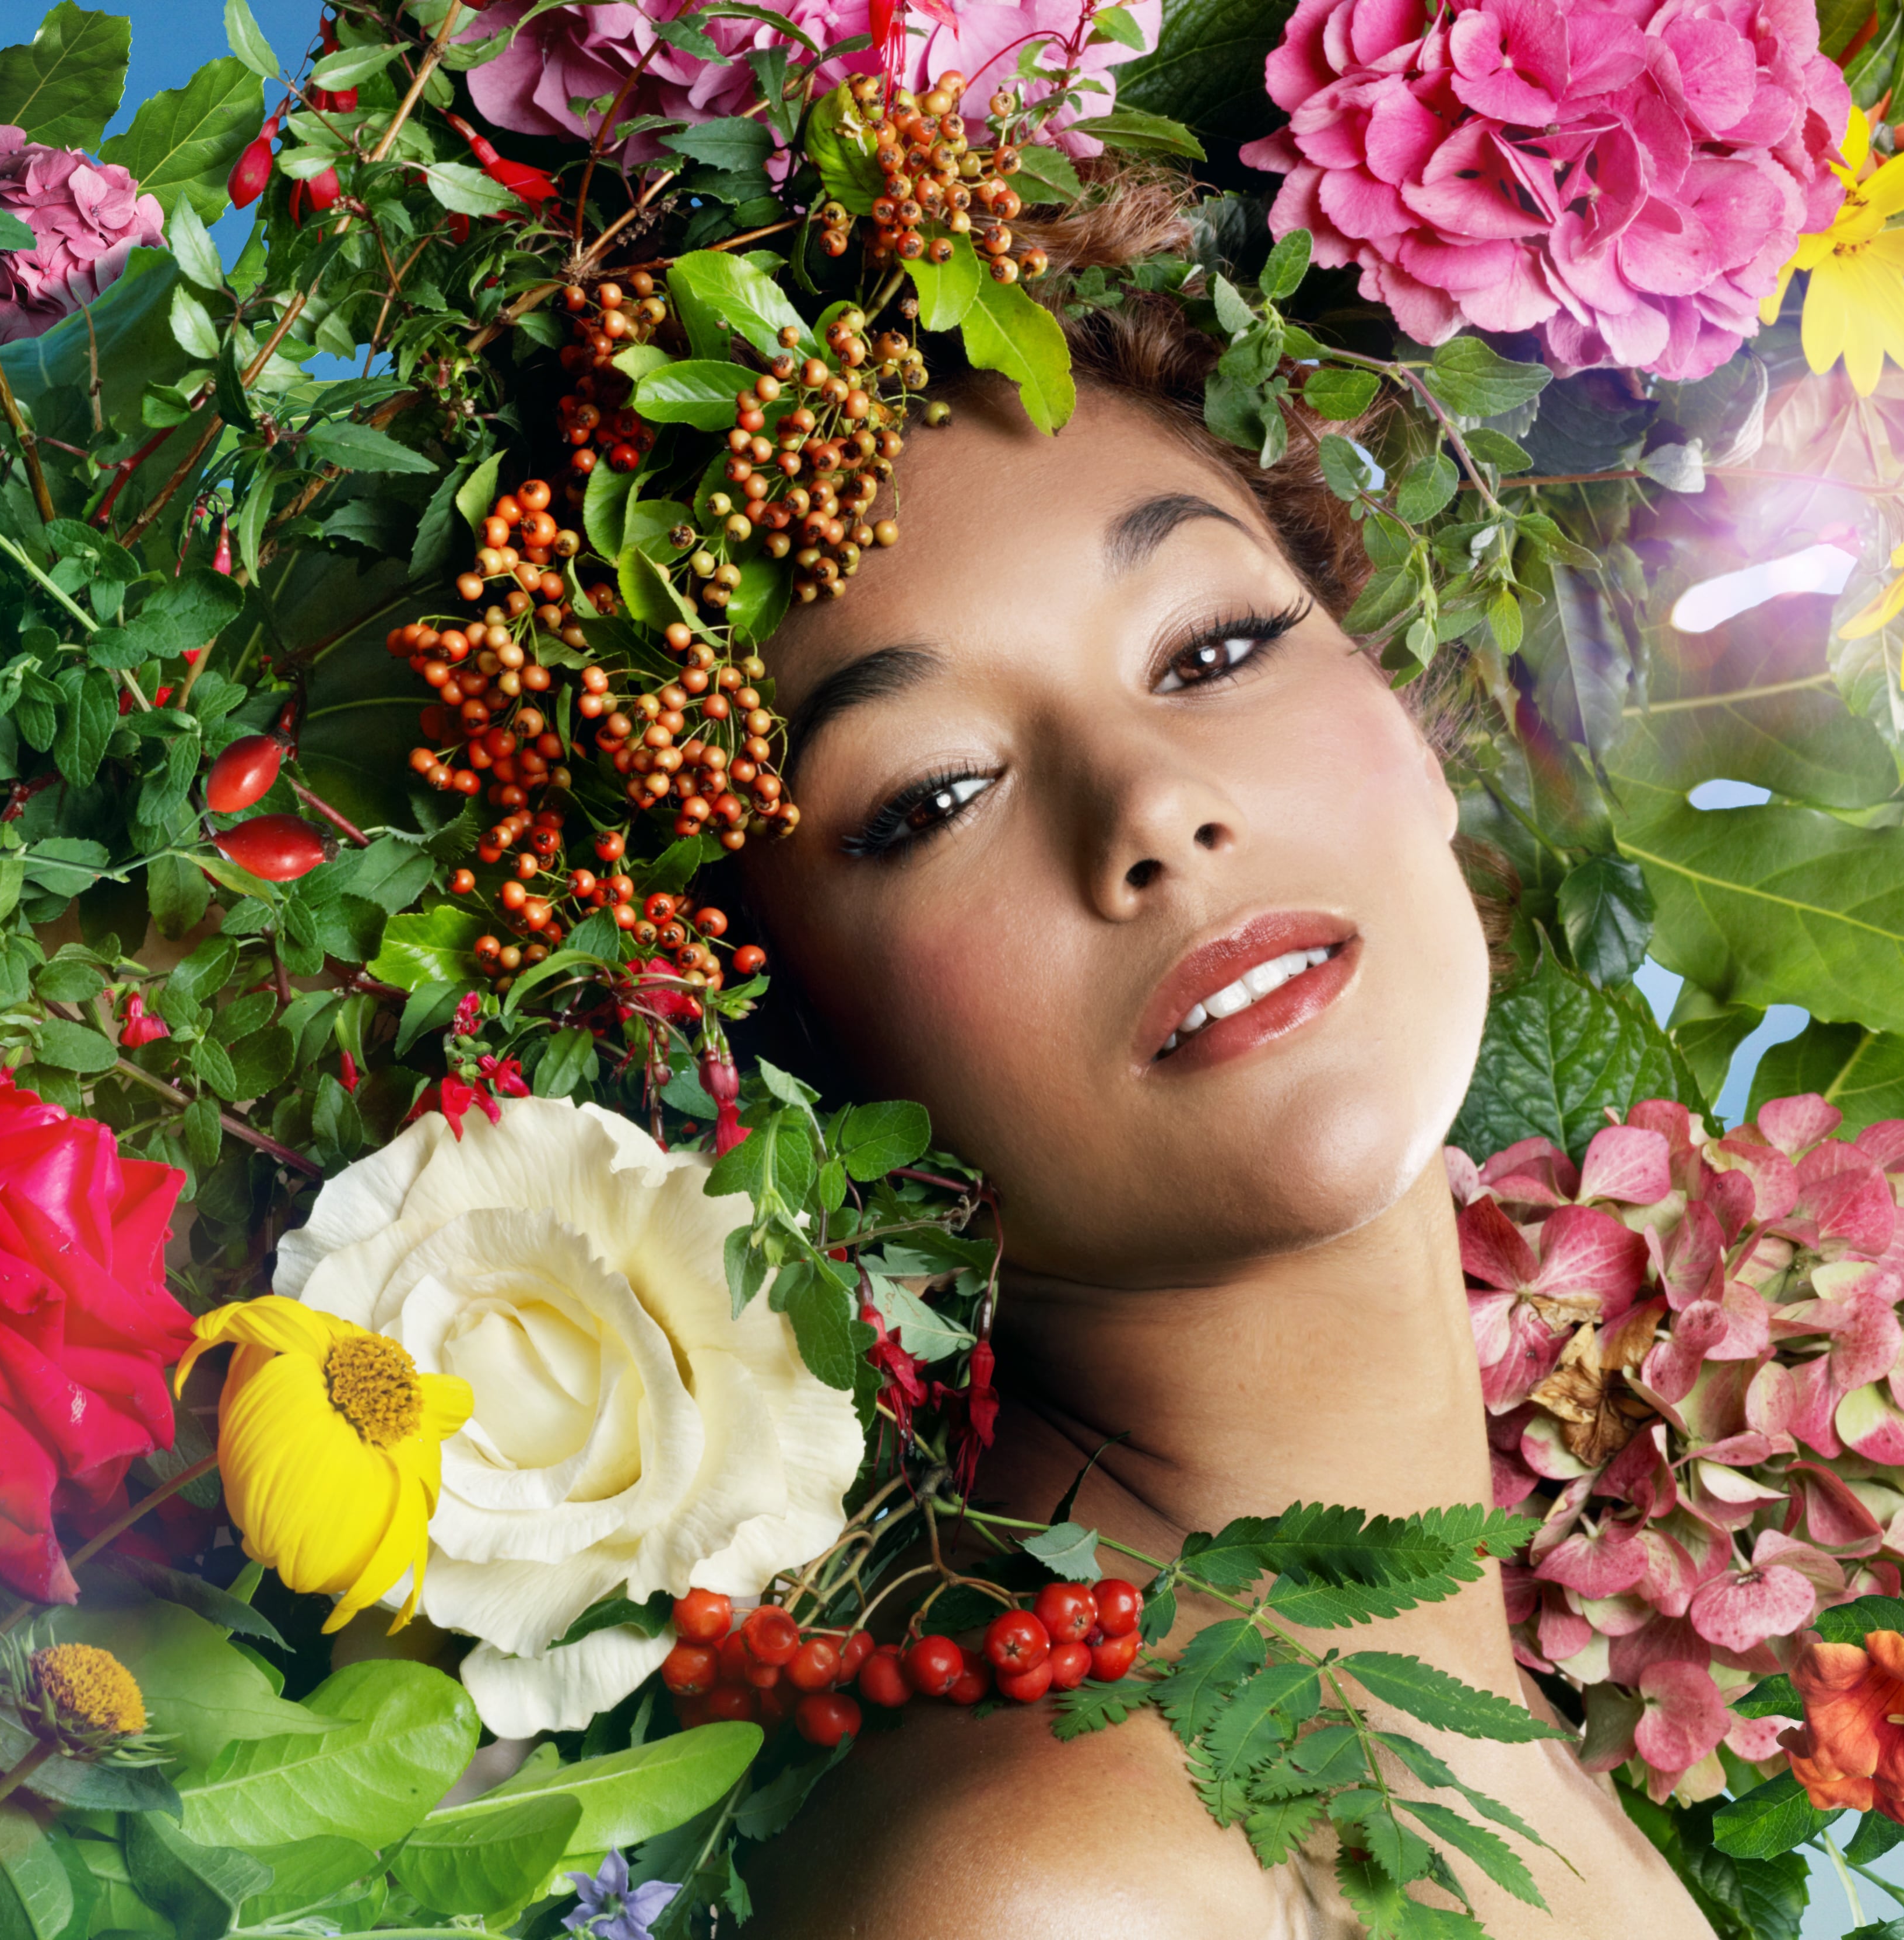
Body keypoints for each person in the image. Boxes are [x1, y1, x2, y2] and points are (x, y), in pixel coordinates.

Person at [729, 187, 1717, 1938]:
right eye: (934, 797)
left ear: (1414, 734)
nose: (1155, 810)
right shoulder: (1041, 1888)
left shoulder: (1510, 1724)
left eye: (1213, 648)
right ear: (795, 1041)